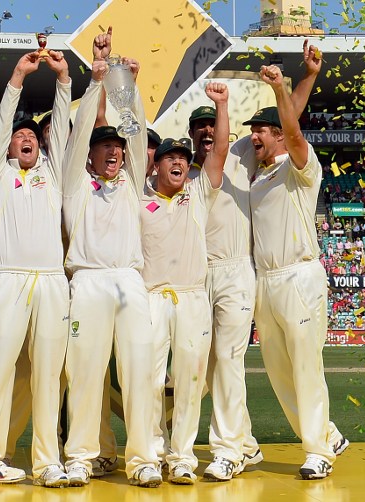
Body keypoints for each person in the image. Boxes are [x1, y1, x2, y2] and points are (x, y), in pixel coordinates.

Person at [0, 48, 72, 490]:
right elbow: (2, 125)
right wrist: (18, 78)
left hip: (51, 282)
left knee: (47, 374)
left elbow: (61, 130)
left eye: (32, 137)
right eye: (19, 136)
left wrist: (63, 81)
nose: (26, 139)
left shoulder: (54, 173)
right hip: (7, 280)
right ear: (7, 145)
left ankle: (47, 461)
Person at [61, 27, 161, 488]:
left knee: (140, 369)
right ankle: (82, 454)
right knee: (85, 372)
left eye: (118, 149)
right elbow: (80, 135)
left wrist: (126, 87)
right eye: (106, 148)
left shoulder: (132, 182)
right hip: (88, 281)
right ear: (91, 156)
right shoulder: (76, 186)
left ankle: (143, 457)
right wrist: (95, 80)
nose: (115, 154)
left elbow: (136, 133)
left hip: (129, 280)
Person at [248, 63, 338, 480]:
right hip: (265, 281)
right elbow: (291, 115)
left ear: (278, 135)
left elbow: (296, 129)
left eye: (260, 132)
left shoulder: (300, 166)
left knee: (305, 365)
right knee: (280, 373)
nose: (253, 138)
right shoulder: (259, 174)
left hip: (298, 275)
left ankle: (318, 450)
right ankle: (328, 434)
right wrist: (306, 75)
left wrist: (280, 88)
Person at [141, 83, 228, 486]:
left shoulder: (197, 193)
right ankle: (150, 453)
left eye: (182, 157)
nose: (178, 162)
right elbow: (127, 137)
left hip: (192, 298)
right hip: (153, 298)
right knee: (150, 380)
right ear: (155, 165)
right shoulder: (137, 198)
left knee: (191, 381)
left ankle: (181, 457)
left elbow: (220, 152)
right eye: (169, 157)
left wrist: (221, 104)